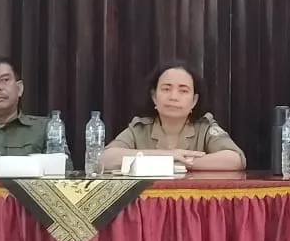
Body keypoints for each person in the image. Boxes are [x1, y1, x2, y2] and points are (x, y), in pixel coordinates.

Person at [101, 61, 245, 171]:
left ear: (194, 101)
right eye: (166, 89)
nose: (173, 97)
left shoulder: (205, 127)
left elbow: (234, 159)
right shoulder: (140, 129)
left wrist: (179, 163)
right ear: (154, 97)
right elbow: (105, 159)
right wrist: (168, 156)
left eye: (183, 91)